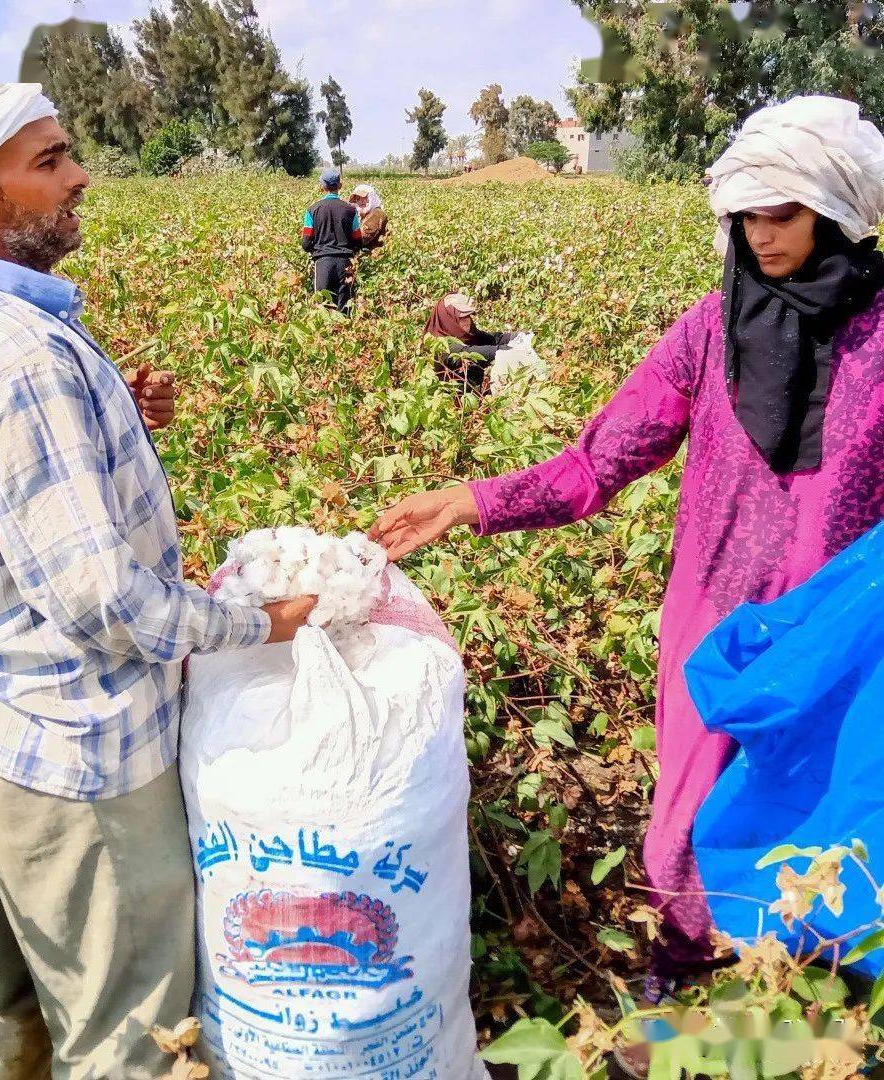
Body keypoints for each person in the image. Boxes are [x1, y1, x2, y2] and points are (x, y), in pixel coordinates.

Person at [371, 94, 884, 1032]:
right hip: (711, 626)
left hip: (839, 646)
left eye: (784, 213)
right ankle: (683, 1004)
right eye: (746, 215)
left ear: (838, 213)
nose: (760, 235)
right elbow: (597, 462)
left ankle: (804, 1023)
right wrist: (471, 501)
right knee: (686, 826)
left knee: (827, 832)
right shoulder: (708, 330)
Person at [0, 82, 315, 1080]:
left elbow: (2, 494)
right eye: (48, 162)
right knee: (131, 1029)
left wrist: (112, 414)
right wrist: (265, 623)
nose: (80, 175)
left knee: (15, 991)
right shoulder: (23, 357)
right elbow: (108, 602)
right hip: (74, 751)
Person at [302, 166, 362, 313]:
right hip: (345, 263)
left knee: (322, 307)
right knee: (344, 307)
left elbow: (306, 242)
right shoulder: (350, 210)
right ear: (340, 186)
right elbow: (358, 239)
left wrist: (316, 249)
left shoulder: (312, 210)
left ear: (322, 187)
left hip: (322, 262)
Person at [425, 292, 514, 390]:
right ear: (448, 320)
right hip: (456, 402)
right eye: (461, 318)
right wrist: (513, 350)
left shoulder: (465, 334)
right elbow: (473, 352)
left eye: (468, 316)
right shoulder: (443, 347)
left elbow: (493, 339)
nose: (467, 322)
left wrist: (522, 337)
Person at [349, 183, 388, 249]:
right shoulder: (364, 215)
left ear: (371, 197)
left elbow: (363, 236)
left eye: (364, 198)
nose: (361, 201)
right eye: (358, 198)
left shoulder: (377, 213)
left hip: (375, 257)